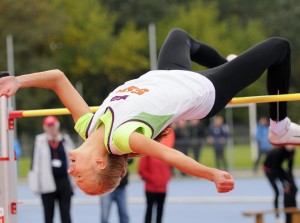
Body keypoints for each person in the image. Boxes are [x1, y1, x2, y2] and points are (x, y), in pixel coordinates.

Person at [2, 28, 300, 196]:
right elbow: (172, 156)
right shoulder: (123, 138)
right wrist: (211, 173)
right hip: (207, 90)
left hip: (169, 75)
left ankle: (228, 63)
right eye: (79, 177)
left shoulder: (88, 126)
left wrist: (18, 80)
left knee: (179, 36)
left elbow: (57, 78)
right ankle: (280, 127)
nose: (71, 172)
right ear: (99, 163)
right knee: (279, 47)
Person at [28, 116, 75, 223]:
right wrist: (35, 185)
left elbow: (73, 161)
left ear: (57, 126)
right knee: (48, 215)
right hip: (47, 182)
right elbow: (35, 164)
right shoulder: (39, 141)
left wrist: (74, 181)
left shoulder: (65, 140)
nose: (52, 128)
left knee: (66, 214)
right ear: (45, 128)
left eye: (53, 125)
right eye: (49, 126)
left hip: (64, 181)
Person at [138, 128, 174, 223]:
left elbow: (169, 167)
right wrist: (152, 179)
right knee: (149, 211)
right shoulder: (148, 151)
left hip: (162, 188)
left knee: (160, 212)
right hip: (151, 188)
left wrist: (166, 178)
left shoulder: (166, 152)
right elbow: (141, 169)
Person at [262, 145, 297, 223]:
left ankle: (293, 215)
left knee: (293, 187)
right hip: (269, 169)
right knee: (277, 192)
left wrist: (291, 182)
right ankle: (277, 216)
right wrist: (284, 184)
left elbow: (289, 168)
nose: (291, 146)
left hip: (278, 167)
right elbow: (275, 169)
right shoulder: (278, 152)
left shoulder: (293, 151)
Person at [100, 159, 133, 223]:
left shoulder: (124, 150)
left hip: (121, 188)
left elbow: (131, 160)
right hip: (106, 188)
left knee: (124, 215)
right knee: (104, 216)